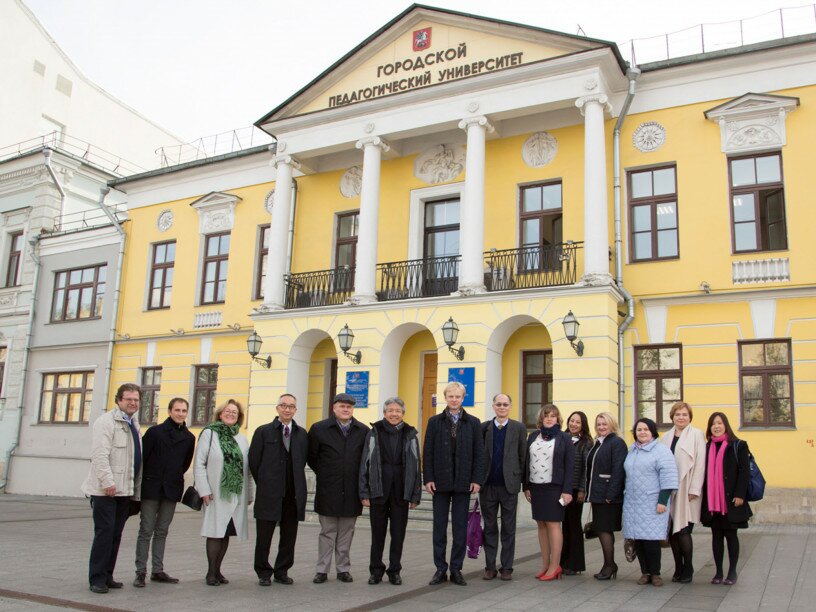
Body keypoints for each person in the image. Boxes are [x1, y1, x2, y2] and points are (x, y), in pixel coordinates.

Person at [82, 383, 143, 594]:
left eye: (136, 400)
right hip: (105, 491)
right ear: (119, 400)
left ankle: (108, 575)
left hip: (124, 491)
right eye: (128, 399)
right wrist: (108, 482)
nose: (133, 403)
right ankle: (96, 578)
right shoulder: (106, 422)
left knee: (116, 534)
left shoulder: (134, 423)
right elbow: (99, 455)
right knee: (104, 534)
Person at [423, 381, 485, 587]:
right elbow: (428, 452)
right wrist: (428, 478)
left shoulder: (473, 422)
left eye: (458, 396)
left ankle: (456, 568)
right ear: (445, 397)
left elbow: (479, 454)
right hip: (439, 483)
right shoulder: (434, 422)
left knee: (460, 528)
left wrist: (477, 479)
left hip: (463, 483)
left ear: (463, 398)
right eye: (451, 396)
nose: (454, 399)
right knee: (439, 527)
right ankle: (440, 569)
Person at [359, 397, 422, 586]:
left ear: (403, 413)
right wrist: (364, 492)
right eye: (390, 410)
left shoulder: (410, 434)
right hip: (378, 491)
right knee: (377, 534)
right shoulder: (374, 432)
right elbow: (365, 462)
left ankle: (394, 571)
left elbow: (416, 465)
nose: (394, 414)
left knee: (398, 534)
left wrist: (415, 494)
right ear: (385, 413)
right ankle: (376, 571)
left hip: (401, 492)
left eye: (398, 411)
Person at [133, 397, 195, 588]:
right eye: (177, 410)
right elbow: (143, 458)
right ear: (169, 411)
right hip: (151, 488)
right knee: (146, 530)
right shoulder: (155, 432)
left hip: (171, 489)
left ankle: (157, 570)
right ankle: (140, 571)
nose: (181, 414)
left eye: (184, 411)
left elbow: (184, 464)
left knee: (162, 531)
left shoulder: (189, 437)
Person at [308, 393, 369, 584]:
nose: (346, 409)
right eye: (342, 406)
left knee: (346, 532)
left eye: (349, 407)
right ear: (334, 408)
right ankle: (322, 570)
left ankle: (343, 569)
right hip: (328, 489)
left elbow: (365, 459)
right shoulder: (319, 429)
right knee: (327, 532)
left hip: (351, 490)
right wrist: (327, 473)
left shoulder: (363, 430)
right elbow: (312, 456)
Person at [249, 393, 308, 586]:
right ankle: (263, 572)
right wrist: (266, 481)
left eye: (291, 406)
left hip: (293, 493)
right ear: (277, 408)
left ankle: (282, 571)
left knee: (289, 536)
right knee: (264, 536)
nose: (287, 409)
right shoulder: (263, 432)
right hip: (269, 493)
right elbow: (254, 462)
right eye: (283, 405)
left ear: (295, 410)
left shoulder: (301, 434)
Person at [194, 399, 252, 586]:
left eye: (235, 413)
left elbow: (247, 469)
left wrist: (250, 493)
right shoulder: (210, 433)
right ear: (220, 414)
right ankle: (210, 572)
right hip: (215, 493)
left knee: (226, 531)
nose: (231, 414)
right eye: (227, 411)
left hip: (236, 493)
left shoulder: (241, 438)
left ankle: (218, 570)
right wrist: (203, 489)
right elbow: (199, 463)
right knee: (215, 531)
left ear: (239, 417)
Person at [623, 418, 679, 587]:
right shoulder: (632, 450)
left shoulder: (661, 451)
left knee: (651, 540)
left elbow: (669, 477)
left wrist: (663, 500)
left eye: (646, 429)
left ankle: (655, 573)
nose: (642, 432)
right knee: (638, 539)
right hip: (633, 503)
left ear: (653, 432)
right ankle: (644, 572)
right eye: (639, 430)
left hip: (652, 502)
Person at [522, 404, 574, 581]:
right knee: (541, 525)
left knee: (553, 524)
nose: (550, 418)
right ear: (541, 418)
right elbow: (526, 462)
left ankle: (555, 565)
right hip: (536, 487)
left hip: (555, 488)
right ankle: (545, 564)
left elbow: (570, 466)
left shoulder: (564, 437)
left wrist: (567, 491)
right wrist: (526, 486)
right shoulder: (533, 436)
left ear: (558, 418)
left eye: (553, 415)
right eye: (546, 415)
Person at [700, 412, 752, 586]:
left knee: (731, 536)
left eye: (719, 423)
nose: (716, 426)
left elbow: (744, 472)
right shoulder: (707, 447)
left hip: (730, 501)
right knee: (716, 536)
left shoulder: (738, 445)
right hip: (712, 502)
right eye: (713, 424)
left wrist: (739, 495)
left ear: (726, 425)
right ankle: (718, 572)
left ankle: (732, 572)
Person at [479, 393, 526, 581]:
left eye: (505, 404)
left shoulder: (519, 428)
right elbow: (479, 457)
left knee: (509, 528)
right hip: (488, 485)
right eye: (498, 404)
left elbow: (522, 456)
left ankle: (507, 567)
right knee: (489, 527)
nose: (501, 407)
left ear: (510, 406)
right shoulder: (484, 428)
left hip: (509, 486)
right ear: (493, 406)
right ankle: (490, 566)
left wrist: (521, 481)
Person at [660, 402, 706, 583]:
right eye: (677, 414)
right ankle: (678, 567)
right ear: (672, 416)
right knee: (672, 532)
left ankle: (688, 568)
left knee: (684, 531)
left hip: (688, 490)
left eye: (684, 414)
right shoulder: (666, 437)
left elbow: (701, 463)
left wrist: (695, 489)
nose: (681, 417)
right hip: (670, 491)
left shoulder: (697, 435)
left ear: (689, 417)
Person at [585, 411, 627, 580]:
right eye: (599, 424)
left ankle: (610, 565)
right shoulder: (598, 443)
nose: (601, 427)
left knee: (604, 529)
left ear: (611, 425)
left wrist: (611, 494)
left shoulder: (617, 442)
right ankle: (609, 564)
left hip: (608, 495)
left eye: (604, 424)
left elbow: (618, 470)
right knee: (601, 528)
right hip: (597, 494)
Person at [561, 411, 593, 576]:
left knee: (573, 526)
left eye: (577, 422)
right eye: (572, 420)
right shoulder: (562, 437)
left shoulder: (586, 442)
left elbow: (586, 469)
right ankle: (563, 561)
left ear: (583, 425)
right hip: (561, 489)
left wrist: (582, 489)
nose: (573, 424)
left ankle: (575, 564)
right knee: (563, 526)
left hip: (575, 490)